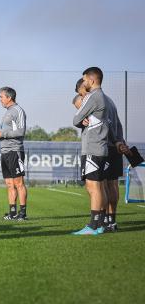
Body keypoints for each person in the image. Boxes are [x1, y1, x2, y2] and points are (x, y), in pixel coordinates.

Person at [75, 77, 129, 232]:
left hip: (102, 144)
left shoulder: (95, 99)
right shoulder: (109, 101)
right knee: (110, 184)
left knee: (99, 185)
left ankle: (100, 222)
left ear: (85, 87)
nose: (82, 98)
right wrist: (119, 141)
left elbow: (107, 124)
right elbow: (117, 124)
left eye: (81, 93)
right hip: (113, 145)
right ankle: (110, 221)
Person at [72, 67, 109, 235]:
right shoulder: (102, 97)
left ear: (92, 80)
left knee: (93, 186)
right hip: (99, 147)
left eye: (85, 80)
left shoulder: (93, 96)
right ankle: (100, 224)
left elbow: (76, 119)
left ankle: (94, 226)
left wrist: (81, 119)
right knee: (98, 187)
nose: (84, 83)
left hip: (93, 148)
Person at [0, 87, 28, 221]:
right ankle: (12, 213)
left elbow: (21, 131)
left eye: (1, 96)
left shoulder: (18, 111)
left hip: (14, 151)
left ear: (9, 97)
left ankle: (22, 214)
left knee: (19, 183)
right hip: (5, 151)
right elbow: (7, 132)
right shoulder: (7, 112)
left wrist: (2, 134)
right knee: (9, 184)